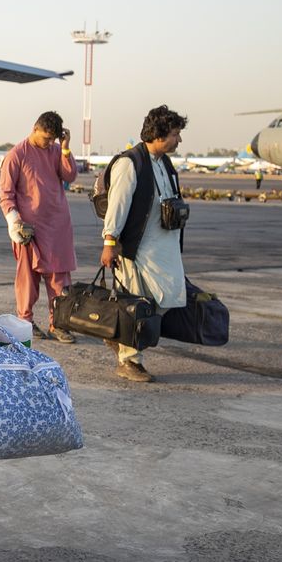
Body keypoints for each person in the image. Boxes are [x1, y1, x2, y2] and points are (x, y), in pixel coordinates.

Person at [99, 105, 191, 383]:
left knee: (170, 294)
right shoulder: (131, 163)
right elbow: (118, 204)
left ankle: (120, 338)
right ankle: (129, 360)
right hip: (137, 248)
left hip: (163, 247)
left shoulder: (163, 163)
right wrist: (110, 241)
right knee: (136, 304)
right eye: (175, 134)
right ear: (160, 134)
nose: (179, 140)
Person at [0, 112, 79, 344]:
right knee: (28, 280)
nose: (48, 143)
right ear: (34, 129)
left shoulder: (55, 151)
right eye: (45, 138)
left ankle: (59, 324)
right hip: (29, 230)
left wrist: (64, 148)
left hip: (57, 227)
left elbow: (70, 175)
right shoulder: (17, 155)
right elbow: (6, 195)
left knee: (60, 282)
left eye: (52, 139)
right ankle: (26, 323)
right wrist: (14, 221)